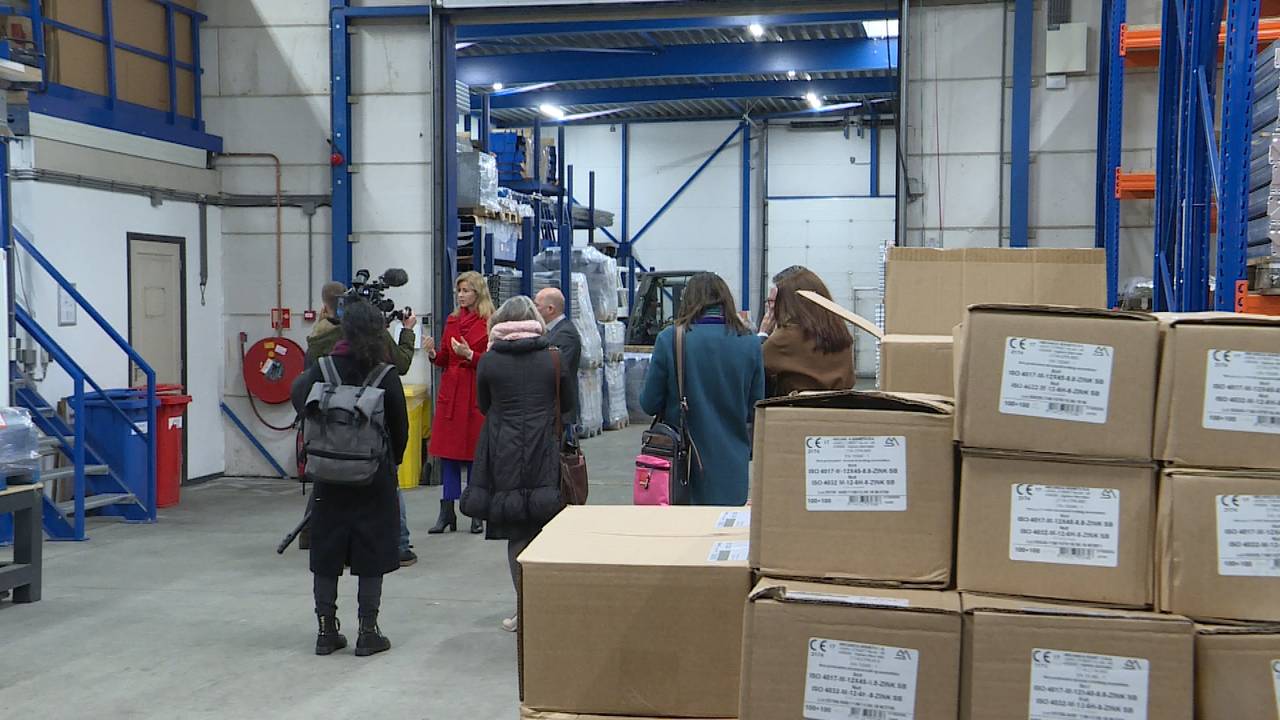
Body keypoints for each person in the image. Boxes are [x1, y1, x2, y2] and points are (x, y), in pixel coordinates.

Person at [291, 300, 409, 657]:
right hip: (373, 477)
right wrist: (390, 463)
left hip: (328, 476)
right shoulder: (385, 374)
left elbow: (299, 399)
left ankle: (326, 630)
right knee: (371, 552)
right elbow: (400, 427)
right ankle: (368, 631)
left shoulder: (323, 368)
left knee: (327, 551)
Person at [460, 296, 572, 632]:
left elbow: (484, 405)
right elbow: (567, 405)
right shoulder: (553, 358)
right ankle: (549, 607)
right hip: (545, 452)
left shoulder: (490, 361)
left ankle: (525, 610)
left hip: (503, 453)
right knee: (547, 529)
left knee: (516, 534)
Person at [304, 280, 419, 567]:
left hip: (329, 436)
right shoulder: (377, 349)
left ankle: (311, 532)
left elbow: (301, 388)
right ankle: (400, 543)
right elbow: (402, 364)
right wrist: (407, 332)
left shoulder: (319, 340)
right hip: (369, 436)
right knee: (386, 488)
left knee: (327, 482)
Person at [640, 273, 764, 506]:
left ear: (688, 300)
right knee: (723, 536)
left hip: (682, 469)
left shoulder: (671, 339)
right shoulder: (750, 343)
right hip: (732, 466)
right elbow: (756, 407)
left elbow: (649, 403)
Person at [426, 271, 493, 535]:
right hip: (451, 396)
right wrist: (433, 354)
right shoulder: (452, 321)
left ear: (478, 293)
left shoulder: (490, 322)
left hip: (475, 394)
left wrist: (471, 355)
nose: (461, 295)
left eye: (466, 290)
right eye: (459, 290)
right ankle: (446, 512)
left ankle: (476, 510)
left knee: (475, 457)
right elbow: (444, 357)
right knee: (448, 456)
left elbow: (492, 361)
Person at [757, 266, 855, 396]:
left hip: (796, 409)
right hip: (838, 407)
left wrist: (763, 334)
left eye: (775, 302)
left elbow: (752, 363)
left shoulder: (787, 337)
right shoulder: (838, 330)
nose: (772, 308)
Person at [534, 287, 582, 431]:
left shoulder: (565, 335)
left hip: (559, 412)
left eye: (537, 306)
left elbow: (558, 372)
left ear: (550, 309)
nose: (534, 310)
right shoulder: (552, 332)